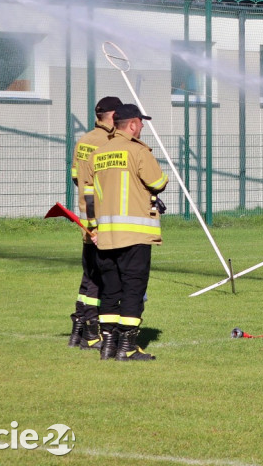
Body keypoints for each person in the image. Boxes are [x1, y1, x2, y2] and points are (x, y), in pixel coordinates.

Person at [89, 103, 169, 360]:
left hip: (105, 235)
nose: (143, 126)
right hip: (134, 234)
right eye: (141, 123)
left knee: (110, 290)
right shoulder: (137, 150)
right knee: (133, 289)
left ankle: (108, 345)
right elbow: (158, 182)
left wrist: (93, 228)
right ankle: (128, 347)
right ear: (132, 124)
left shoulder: (98, 154)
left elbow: (90, 196)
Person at [66, 96, 122, 350]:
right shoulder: (110, 142)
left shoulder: (84, 140)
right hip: (105, 220)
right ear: (112, 116)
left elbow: (77, 178)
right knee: (104, 278)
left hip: (86, 217)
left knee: (89, 276)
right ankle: (92, 330)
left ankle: (79, 328)